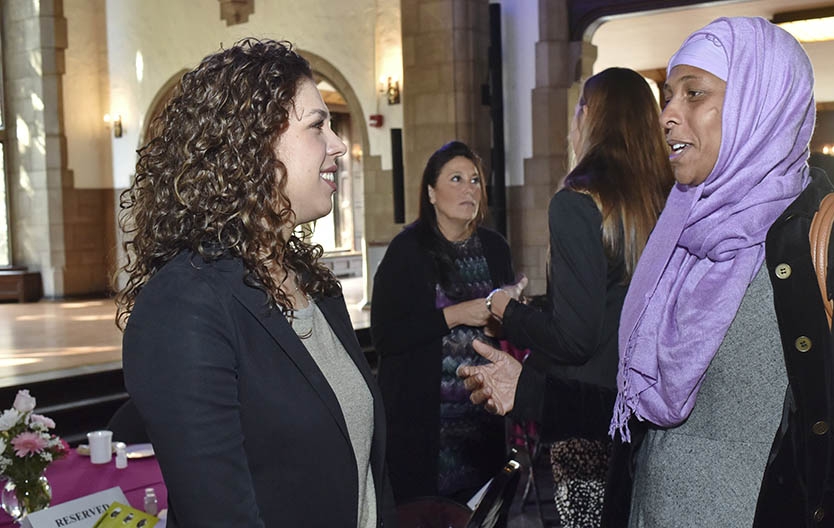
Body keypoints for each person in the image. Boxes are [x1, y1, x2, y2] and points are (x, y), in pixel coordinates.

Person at [461, 17, 834, 527]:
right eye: (667, 97)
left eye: (694, 93)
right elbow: (646, 415)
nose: (667, 114)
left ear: (761, 102)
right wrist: (528, 389)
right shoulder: (680, 237)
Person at [116, 39, 395, 528]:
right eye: (317, 126)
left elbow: (368, 478)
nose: (337, 145)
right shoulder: (185, 305)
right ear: (253, 145)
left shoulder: (316, 287)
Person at [482, 67, 672, 527]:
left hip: (585, 412)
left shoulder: (578, 200)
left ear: (588, 115)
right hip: (649, 406)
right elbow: (610, 303)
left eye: (575, 112)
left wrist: (506, 310)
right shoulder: (668, 196)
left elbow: (575, 338)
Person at [371, 141, 523, 504]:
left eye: (475, 180)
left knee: (480, 513)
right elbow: (386, 337)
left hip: (480, 423)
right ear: (431, 192)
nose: (469, 188)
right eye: (456, 179)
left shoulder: (494, 247)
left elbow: (503, 331)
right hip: (423, 425)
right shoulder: (407, 251)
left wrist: (505, 321)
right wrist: (456, 314)